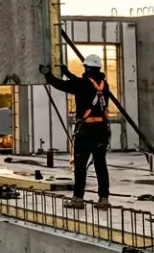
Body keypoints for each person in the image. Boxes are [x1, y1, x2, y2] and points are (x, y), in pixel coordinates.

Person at [40, 54, 111, 209]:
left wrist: (46, 74)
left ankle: (78, 199)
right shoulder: (105, 85)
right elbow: (80, 82)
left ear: (86, 68)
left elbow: (60, 84)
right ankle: (103, 199)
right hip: (101, 131)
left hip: (86, 131)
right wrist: (67, 73)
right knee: (101, 165)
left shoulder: (81, 84)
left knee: (80, 166)